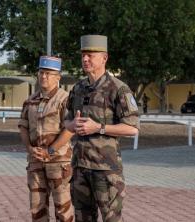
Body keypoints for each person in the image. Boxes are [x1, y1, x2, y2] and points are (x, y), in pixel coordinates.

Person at [64, 35, 139, 222]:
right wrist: (71, 125)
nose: (85, 59)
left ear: (104, 58)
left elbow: (132, 129)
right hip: (80, 167)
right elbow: (66, 120)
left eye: (90, 55)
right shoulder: (78, 88)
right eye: (83, 55)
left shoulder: (118, 89)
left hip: (106, 170)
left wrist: (99, 127)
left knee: (111, 219)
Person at [18, 56, 74, 222]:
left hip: (58, 162)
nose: (44, 77)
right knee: (37, 208)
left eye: (49, 73)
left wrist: (50, 150)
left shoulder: (65, 99)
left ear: (58, 77)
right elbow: (23, 127)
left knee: (63, 209)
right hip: (35, 161)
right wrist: (29, 148)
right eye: (41, 73)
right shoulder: (30, 101)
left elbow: (69, 129)